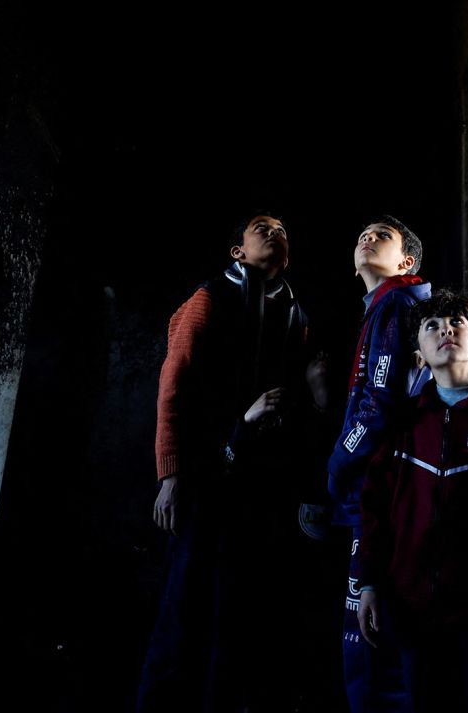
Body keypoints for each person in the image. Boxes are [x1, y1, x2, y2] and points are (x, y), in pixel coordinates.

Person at [136, 213, 330, 713]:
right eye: (261, 226)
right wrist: (171, 475)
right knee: (185, 611)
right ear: (237, 253)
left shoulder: (295, 315)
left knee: (241, 615)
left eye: (283, 228)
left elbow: (312, 394)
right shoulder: (210, 299)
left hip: (261, 485)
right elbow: (173, 382)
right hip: (205, 478)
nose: (275, 230)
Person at [356, 292, 468, 713]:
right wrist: (369, 584)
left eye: (457, 322)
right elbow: (374, 509)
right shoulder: (402, 421)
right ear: (419, 353)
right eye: (431, 326)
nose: (445, 330)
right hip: (414, 613)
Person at [327, 216, 431, 712]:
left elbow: (380, 402)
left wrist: (338, 462)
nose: (366, 237)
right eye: (361, 233)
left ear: (406, 261)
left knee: (369, 649)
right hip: (380, 493)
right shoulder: (381, 308)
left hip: (380, 493)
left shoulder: (399, 302)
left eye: (381, 236)